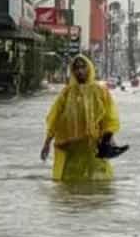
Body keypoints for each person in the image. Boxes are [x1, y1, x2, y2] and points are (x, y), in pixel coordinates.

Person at [41, 53, 122, 182]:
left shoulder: (100, 91)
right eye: (76, 68)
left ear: (89, 68)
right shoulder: (67, 92)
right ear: (72, 71)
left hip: (94, 147)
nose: (79, 71)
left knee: (100, 182)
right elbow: (55, 118)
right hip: (72, 147)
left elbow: (109, 118)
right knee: (69, 184)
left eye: (83, 67)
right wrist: (47, 143)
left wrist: (108, 139)